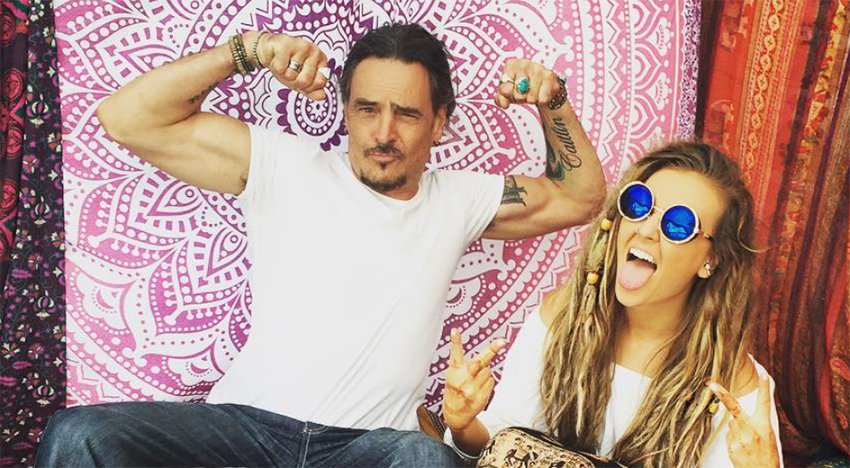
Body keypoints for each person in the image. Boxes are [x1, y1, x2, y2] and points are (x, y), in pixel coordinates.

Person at [35, 23, 606, 467]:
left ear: (439, 123)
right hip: (246, 431)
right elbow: (125, 118)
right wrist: (246, 52)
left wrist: (552, 99)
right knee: (78, 434)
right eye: (367, 109)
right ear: (347, 111)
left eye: (407, 114)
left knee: (426, 458)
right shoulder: (282, 164)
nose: (384, 132)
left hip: (367, 448)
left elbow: (580, 197)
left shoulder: (460, 198)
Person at [442, 142, 784, 467]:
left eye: (678, 224)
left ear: (711, 260)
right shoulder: (563, 320)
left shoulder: (736, 387)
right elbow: (503, 443)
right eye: (638, 204)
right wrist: (462, 424)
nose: (646, 229)